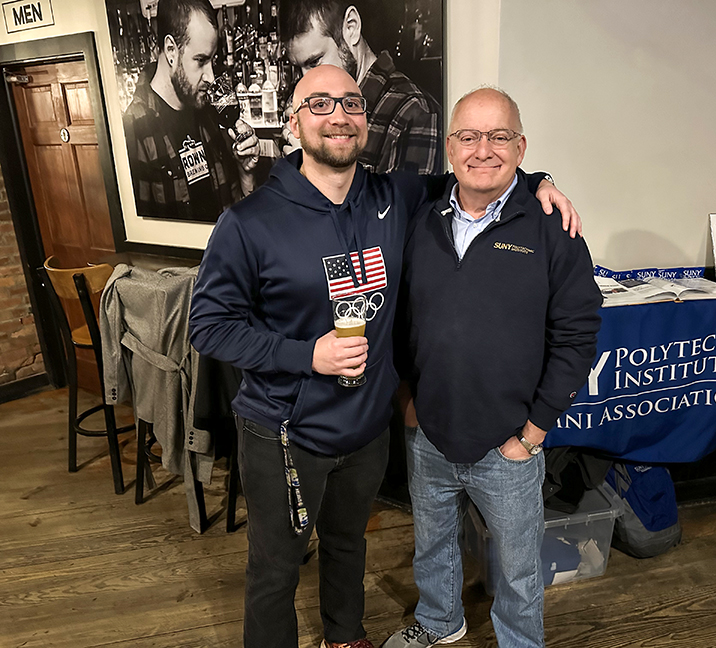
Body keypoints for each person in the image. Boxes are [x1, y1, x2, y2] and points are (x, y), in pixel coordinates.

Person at [189, 66, 578, 648]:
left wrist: (540, 181)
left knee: (348, 544)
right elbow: (208, 327)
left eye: (351, 102)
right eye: (319, 104)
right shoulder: (248, 222)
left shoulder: (396, 196)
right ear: (293, 123)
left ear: (365, 121)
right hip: (284, 433)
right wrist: (307, 355)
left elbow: (478, 172)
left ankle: (344, 636)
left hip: (367, 431)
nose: (338, 115)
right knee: (274, 568)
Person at [384, 88, 603, 648]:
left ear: (521, 147)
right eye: (469, 136)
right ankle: (439, 621)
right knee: (432, 545)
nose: (483, 150)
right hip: (429, 433)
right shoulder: (421, 214)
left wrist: (533, 433)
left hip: (509, 445)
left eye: (499, 136)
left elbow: (578, 336)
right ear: (449, 147)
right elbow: (402, 318)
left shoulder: (553, 228)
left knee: (519, 568)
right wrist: (407, 401)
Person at [123, 0, 260, 222]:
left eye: (212, 60)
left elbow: (237, 221)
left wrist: (246, 174)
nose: (211, 77)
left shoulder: (209, 113)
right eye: (201, 60)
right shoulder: (134, 129)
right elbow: (141, 235)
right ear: (171, 50)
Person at [280, 0, 443, 175]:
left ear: (351, 28)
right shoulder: (317, 107)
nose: (306, 80)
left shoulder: (413, 112)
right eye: (298, 68)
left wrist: (316, 168)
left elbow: (403, 195)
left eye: (314, 62)